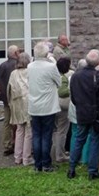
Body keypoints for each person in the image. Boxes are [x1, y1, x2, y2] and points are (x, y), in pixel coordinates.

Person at [67, 50, 99, 180]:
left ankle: (71, 168)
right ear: (98, 62)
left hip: (81, 112)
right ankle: (92, 171)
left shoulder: (75, 76)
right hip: (95, 113)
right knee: (94, 140)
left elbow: (73, 97)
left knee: (79, 140)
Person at [28, 41, 62, 172]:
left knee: (36, 134)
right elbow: (59, 82)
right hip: (48, 106)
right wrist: (52, 60)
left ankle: (38, 164)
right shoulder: (51, 67)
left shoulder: (30, 66)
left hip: (34, 105)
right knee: (47, 135)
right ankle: (46, 164)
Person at [8, 52, 33, 166]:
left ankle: (17, 157)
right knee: (28, 131)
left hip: (16, 102)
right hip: (28, 102)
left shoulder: (13, 73)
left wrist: (10, 103)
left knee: (19, 130)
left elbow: (9, 89)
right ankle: (26, 158)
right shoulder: (30, 72)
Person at [0, 45, 19, 156]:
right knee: (17, 122)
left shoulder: (2, 65)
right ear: (15, 53)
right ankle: (16, 143)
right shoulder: (17, 66)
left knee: (7, 123)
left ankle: (7, 144)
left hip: (5, 97)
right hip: (15, 98)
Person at [53, 57, 72, 163]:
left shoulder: (55, 75)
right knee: (62, 131)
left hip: (53, 106)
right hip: (62, 107)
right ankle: (60, 155)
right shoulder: (63, 78)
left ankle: (58, 151)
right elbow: (62, 92)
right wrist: (71, 89)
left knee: (55, 131)